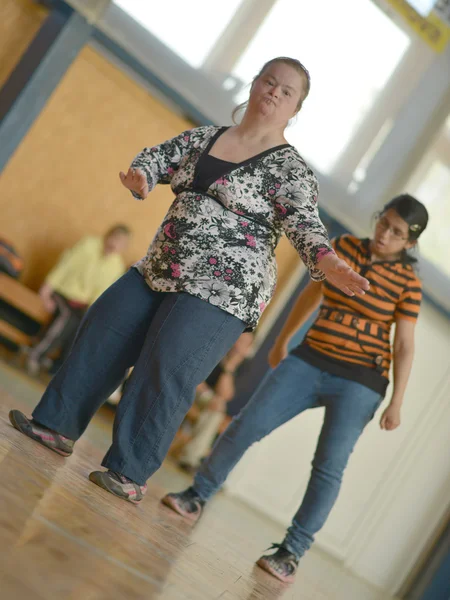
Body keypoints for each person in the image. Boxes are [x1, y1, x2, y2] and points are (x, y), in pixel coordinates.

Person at [9, 56, 368, 504]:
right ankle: (55, 426)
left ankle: (129, 472)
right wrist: (144, 176)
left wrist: (327, 260)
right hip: (163, 265)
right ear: (254, 85)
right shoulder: (207, 136)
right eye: (269, 81)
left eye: (287, 90)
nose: (274, 91)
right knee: (106, 324)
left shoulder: (291, 170)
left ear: (295, 109)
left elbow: (304, 223)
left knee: (168, 363)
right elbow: (157, 157)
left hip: (225, 288)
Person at [161, 194, 429, 584]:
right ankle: (196, 495)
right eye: (383, 222)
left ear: (410, 242)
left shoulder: (410, 283)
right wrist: (282, 341)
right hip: (310, 358)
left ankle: (292, 550)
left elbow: (404, 344)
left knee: (328, 467)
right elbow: (312, 293)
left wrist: (397, 401)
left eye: (396, 232)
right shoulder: (345, 248)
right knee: (245, 425)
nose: (384, 234)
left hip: (362, 381)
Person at [25, 225, 131, 375]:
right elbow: (66, 265)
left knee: (83, 327)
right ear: (108, 236)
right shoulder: (88, 245)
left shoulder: (116, 265)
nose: (114, 245)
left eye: (120, 243)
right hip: (62, 293)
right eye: (114, 239)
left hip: (81, 304)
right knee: (65, 317)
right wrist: (46, 290)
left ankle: (58, 367)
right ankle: (35, 354)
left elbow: (100, 294)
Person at [177, 332, 253, 473]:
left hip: (211, 400)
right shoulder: (215, 350)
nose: (238, 346)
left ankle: (190, 459)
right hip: (196, 388)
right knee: (217, 407)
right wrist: (210, 396)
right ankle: (191, 458)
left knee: (216, 412)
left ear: (248, 348)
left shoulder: (243, 366)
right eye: (238, 340)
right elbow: (195, 376)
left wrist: (229, 368)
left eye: (243, 344)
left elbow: (226, 395)